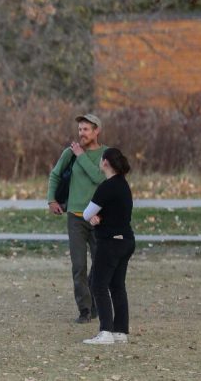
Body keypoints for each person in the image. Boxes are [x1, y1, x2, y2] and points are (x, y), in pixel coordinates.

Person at [46, 113, 106, 323]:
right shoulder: (69, 153)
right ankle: (84, 310)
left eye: (86, 129)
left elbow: (99, 177)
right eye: (80, 129)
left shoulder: (106, 154)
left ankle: (95, 302)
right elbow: (55, 175)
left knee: (100, 265)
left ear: (97, 131)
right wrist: (51, 200)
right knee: (79, 266)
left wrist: (81, 156)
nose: (82, 133)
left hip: (99, 219)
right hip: (75, 218)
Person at [82, 147, 136, 345]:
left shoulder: (106, 187)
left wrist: (95, 217)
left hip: (110, 243)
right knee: (117, 285)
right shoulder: (124, 185)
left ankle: (105, 331)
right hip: (127, 241)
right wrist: (100, 216)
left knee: (98, 284)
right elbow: (116, 211)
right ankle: (120, 331)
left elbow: (86, 214)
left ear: (105, 163)